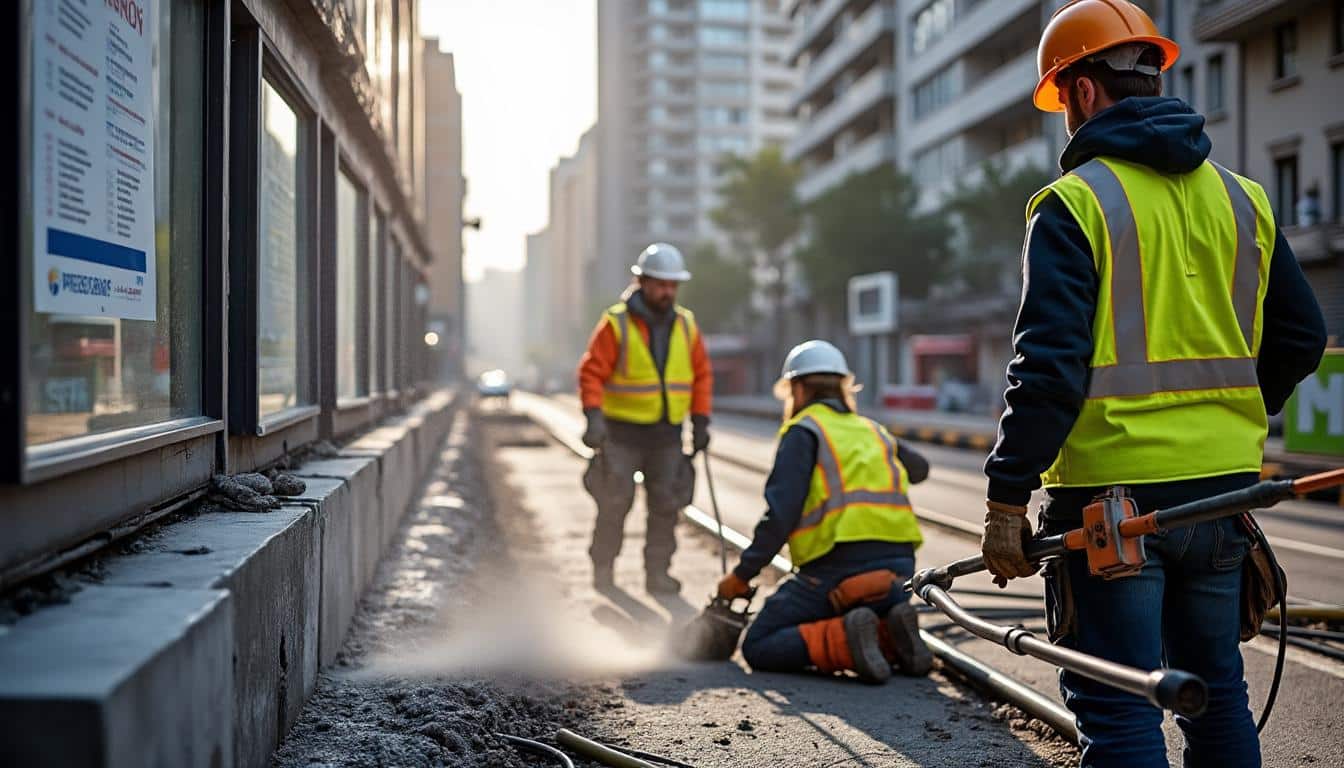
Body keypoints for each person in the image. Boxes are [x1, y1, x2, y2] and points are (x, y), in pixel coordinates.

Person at [982, 2, 1328, 766]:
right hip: (1225, 494)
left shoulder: (1074, 205)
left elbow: (1048, 369)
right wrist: (1228, 411)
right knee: (1215, 694)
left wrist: (1007, 496)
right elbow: (1302, 338)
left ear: (1078, 92)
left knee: (1121, 705)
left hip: (1116, 504)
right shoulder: (1244, 198)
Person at [717, 341, 933, 684]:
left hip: (836, 574)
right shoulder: (873, 431)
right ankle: (888, 635)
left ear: (798, 388)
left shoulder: (804, 431)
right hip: (897, 576)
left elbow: (780, 517)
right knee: (871, 610)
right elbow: (920, 468)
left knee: (759, 645)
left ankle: (850, 640)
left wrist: (742, 575)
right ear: (843, 387)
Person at [578, 243, 713, 594]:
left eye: (672, 285)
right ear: (642, 282)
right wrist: (594, 417)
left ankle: (657, 574)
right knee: (614, 503)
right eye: (660, 285)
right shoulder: (616, 324)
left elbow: (701, 375)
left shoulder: (686, 325)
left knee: (666, 507)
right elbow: (592, 373)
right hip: (621, 435)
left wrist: (700, 421)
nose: (667, 292)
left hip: (666, 435)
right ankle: (604, 569)